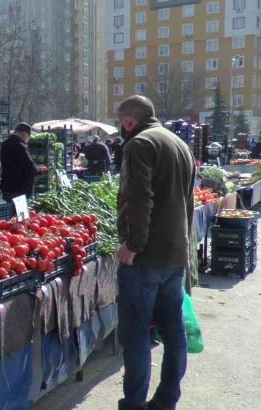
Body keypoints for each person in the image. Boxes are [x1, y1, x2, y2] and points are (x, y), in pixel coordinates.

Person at [115, 95, 195, 410]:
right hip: (175, 254)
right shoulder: (180, 145)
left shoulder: (139, 145)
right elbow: (188, 203)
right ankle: (166, 401)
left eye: (121, 122)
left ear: (128, 121)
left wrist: (133, 245)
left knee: (136, 335)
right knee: (174, 331)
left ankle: (133, 405)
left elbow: (139, 199)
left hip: (145, 258)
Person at [0, 122, 42, 200]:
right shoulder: (19, 146)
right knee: (21, 212)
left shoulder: (5, 144)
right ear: (23, 133)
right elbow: (30, 167)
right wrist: (39, 170)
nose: (27, 139)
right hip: (20, 190)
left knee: (9, 211)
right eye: (28, 136)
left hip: (7, 187)